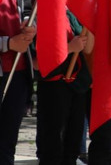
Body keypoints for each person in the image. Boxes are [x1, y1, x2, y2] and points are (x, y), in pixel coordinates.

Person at [36, 9, 93, 165]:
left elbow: (88, 49)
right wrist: (69, 48)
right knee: (53, 146)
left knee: (73, 145)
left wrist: (89, 23)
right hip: (53, 86)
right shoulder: (44, 10)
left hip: (77, 85)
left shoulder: (76, 12)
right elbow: (36, 61)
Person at [0, 0, 34, 165]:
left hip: (18, 74)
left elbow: (27, 4)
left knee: (7, 145)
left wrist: (28, 24)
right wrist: (8, 44)